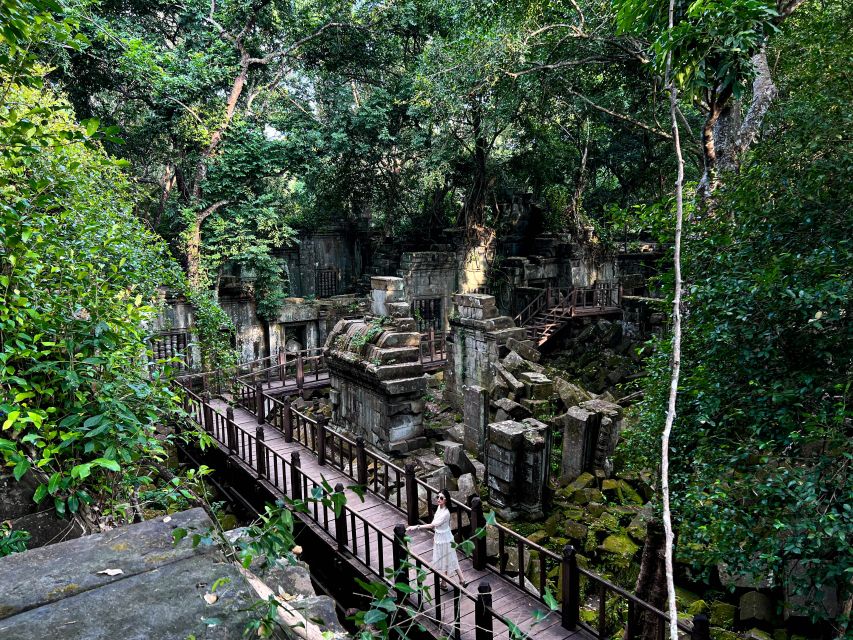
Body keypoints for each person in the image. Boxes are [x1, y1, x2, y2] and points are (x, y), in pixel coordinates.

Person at [406, 488, 467, 589]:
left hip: (445, 538)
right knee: (449, 558)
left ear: (446, 500)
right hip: (441, 536)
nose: (439, 499)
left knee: (448, 558)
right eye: (438, 496)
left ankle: (450, 581)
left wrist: (416, 526)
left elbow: (432, 525)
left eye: (441, 498)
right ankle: (459, 580)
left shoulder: (446, 513)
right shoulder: (440, 508)